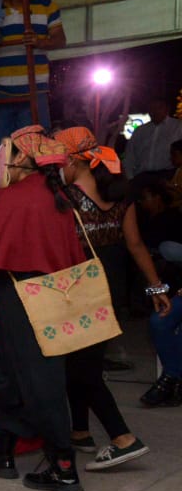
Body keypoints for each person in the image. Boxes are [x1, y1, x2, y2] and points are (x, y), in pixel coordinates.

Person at [0, 126, 88, 491]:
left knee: (38, 381)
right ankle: (2, 450)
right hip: (52, 295)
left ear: (21, 158)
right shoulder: (53, 193)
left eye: (5, 154)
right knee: (7, 372)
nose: (0, 163)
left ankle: (64, 466)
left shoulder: (17, 196)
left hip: (24, 296)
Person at [54, 127, 171, 470]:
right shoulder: (121, 196)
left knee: (83, 370)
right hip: (109, 292)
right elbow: (134, 246)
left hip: (78, 291)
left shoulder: (64, 198)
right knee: (82, 364)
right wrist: (156, 289)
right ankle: (79, 432)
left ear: (75, 160)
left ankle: (122, 438)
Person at [0, 0, 65, 152]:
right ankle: (5, 183)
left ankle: (38, 182)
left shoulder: (47, 5)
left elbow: (60, 40)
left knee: (39, 149)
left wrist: (39, 42)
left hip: (34, 91)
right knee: (0, 151)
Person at [126, 97, 182, 177]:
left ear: (167, 109)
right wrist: (130, 178)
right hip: (142, 176)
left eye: (159, 108)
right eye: (152, 108)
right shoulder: (140, 131)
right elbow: (130, 156)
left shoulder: (178, 127)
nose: (155, 111)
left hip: (169, 176)